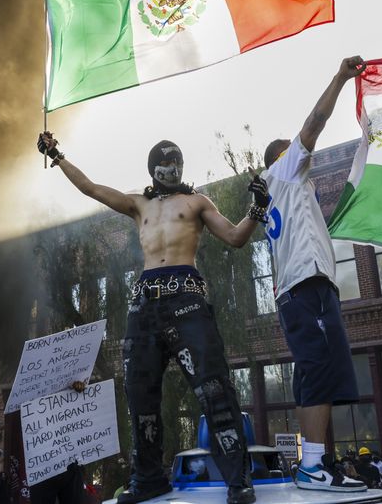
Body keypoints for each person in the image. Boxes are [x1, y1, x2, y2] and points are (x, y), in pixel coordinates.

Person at [37, 127, 268, 504]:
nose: (170, 167)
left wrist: (256, 209)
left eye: (175, 161)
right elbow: (91, 188)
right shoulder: (138, 205)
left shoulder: (196, 202)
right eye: (163, 162)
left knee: (212, 387)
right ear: (152, 169)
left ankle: (238, 480)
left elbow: (236, 237)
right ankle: (147, 480)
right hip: (144, 303)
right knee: (139, 394)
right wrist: (57, 155)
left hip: (187, 297)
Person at [257, 55, 367, 492]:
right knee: (319, 370)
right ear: (285, 156)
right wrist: (340, 77)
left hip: (303, 288)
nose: (308, 154)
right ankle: (312, 465)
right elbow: (316, 120)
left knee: (313, 373)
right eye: (298, 148)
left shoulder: (276, 191)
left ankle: (316, 463)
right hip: (306, 286)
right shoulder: (285, 169)